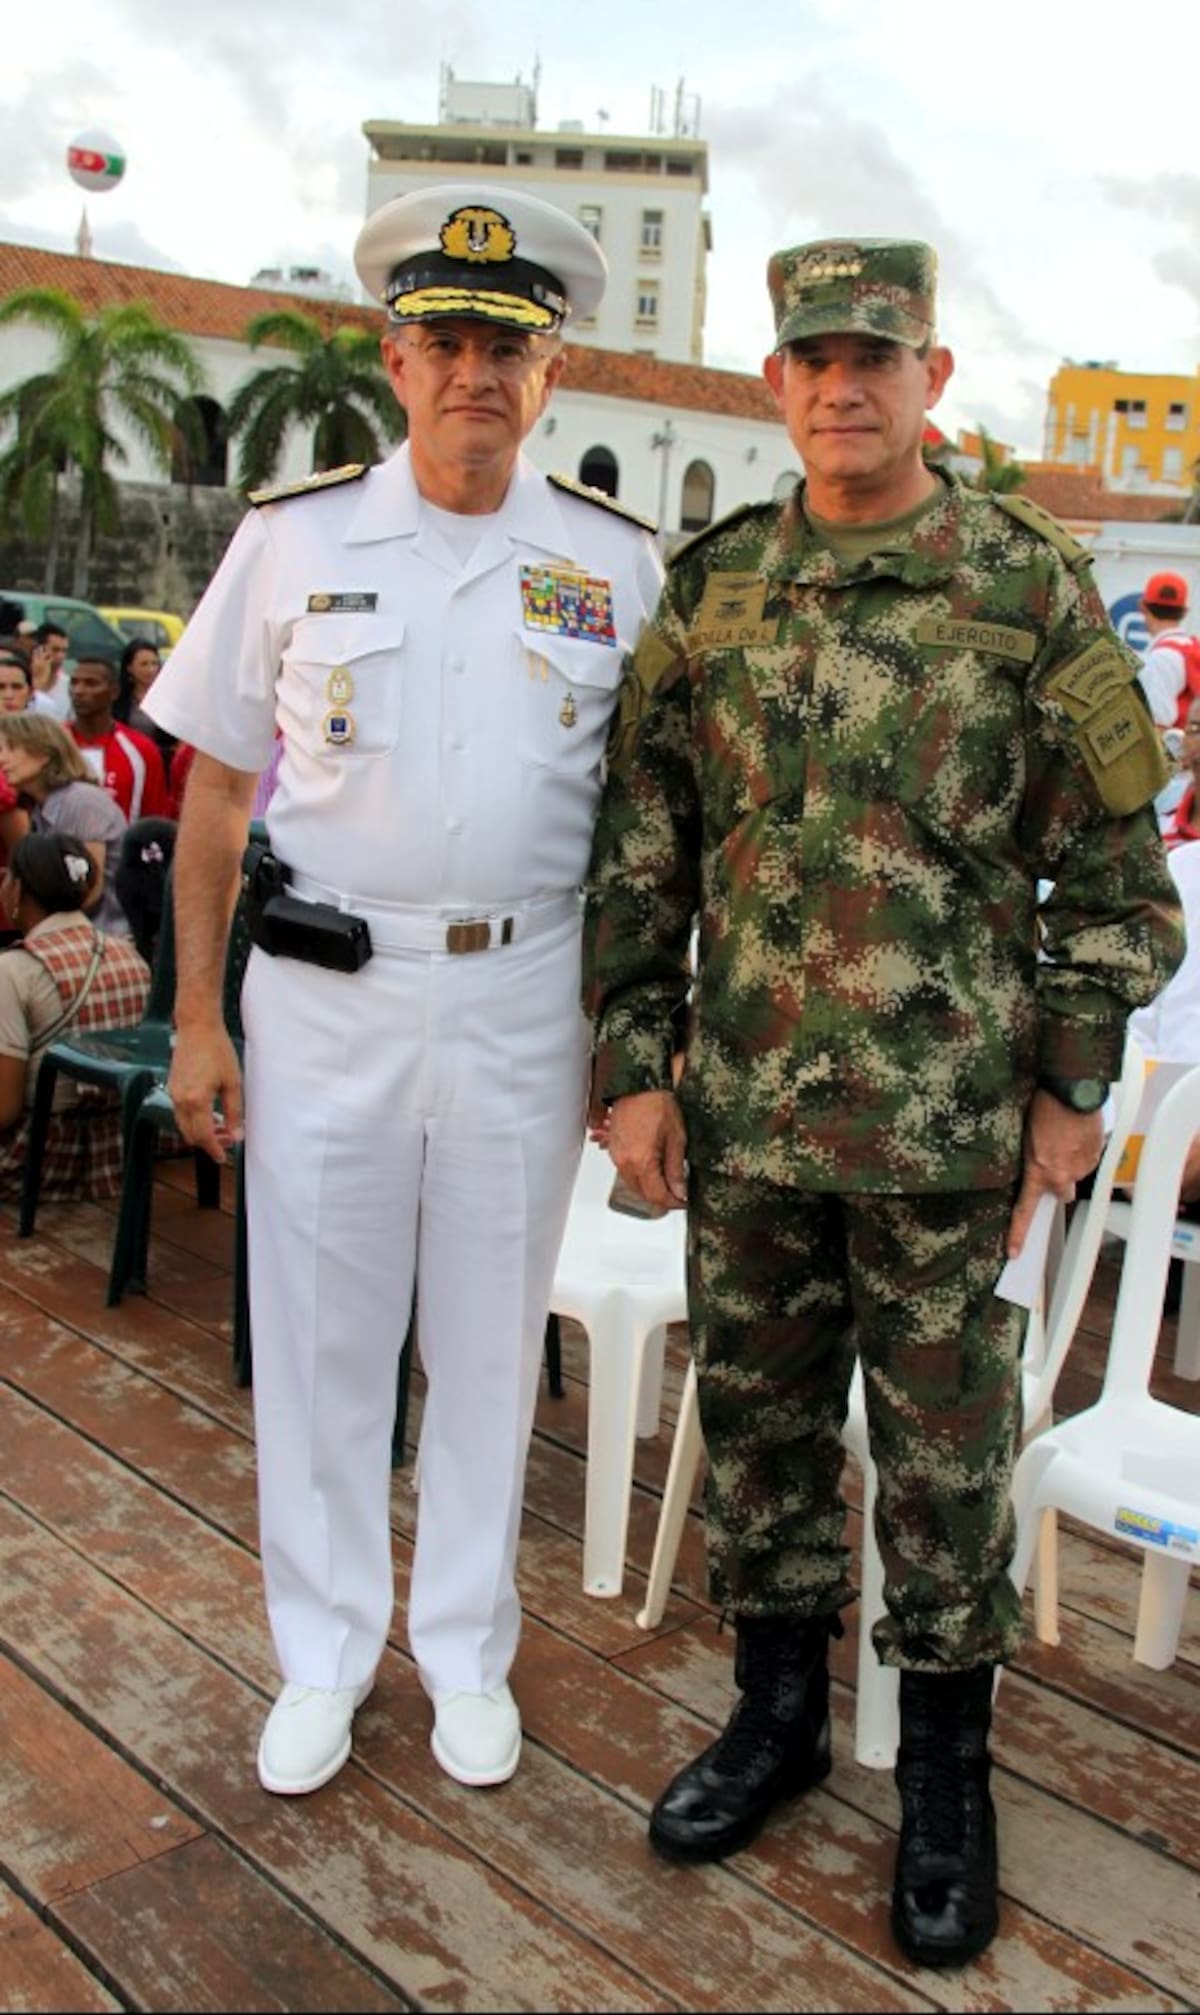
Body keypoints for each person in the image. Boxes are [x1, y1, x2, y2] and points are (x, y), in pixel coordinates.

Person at [583, 237, 1183, 1969]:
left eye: (877, 358)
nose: (844, 388)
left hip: (948, 1138)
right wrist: (634, 1067)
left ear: (933, 377)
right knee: (762, 1437)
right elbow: (644, 851)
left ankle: (944, 1780)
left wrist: (1073, 1086)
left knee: (945, 1464)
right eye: (815, 361)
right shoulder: (713, 593)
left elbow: (1117, 878)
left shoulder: (1027, 584)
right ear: (776, 383)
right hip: (750, 1120)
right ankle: (775, 1719)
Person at [143, 182, 663, 1801]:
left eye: (507, 348)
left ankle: (465, 1649)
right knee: (321, 1334)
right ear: (395, 358)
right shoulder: (293, 541)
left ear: (551, 371)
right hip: (327, 995)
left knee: (491, 1341)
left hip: (527, 995)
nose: (474, 375)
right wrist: (197, 1017)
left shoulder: (614, 564)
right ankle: (321, 1653)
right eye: (445, 342)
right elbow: (214, 792)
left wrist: (631, 1040)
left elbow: (652, 825)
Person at [0, 830, 149, 1203]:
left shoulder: (14, 969)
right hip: (117, 1150)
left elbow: (4, 1108)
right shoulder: (129, 954)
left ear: (16, 891)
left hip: (38, 1158)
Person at [0, 714, 130, 936]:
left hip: (105, 937)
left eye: (11, 748)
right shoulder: (40, 809)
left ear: (43, 753)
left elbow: (88, 889)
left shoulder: (82, 802)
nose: (2, 759)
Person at [68, 652, 171, 823]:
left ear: (114, 691)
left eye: (91, 683)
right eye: (74, 683)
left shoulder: (142, 749)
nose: (79, 691)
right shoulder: (52, 742)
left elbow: (155, 816)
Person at [1135, 571, 1199, 731]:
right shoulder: (1192, 647)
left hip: (1179, 746)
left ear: (1142, 606)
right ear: (1184, 612)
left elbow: (1158, 723)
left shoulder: (1161, 658)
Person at [33, 622, 72, 720]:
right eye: (55, 650)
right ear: (38, 650)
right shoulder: (20, 683)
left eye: (64, 651)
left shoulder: (69, 686)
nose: (61, 656)